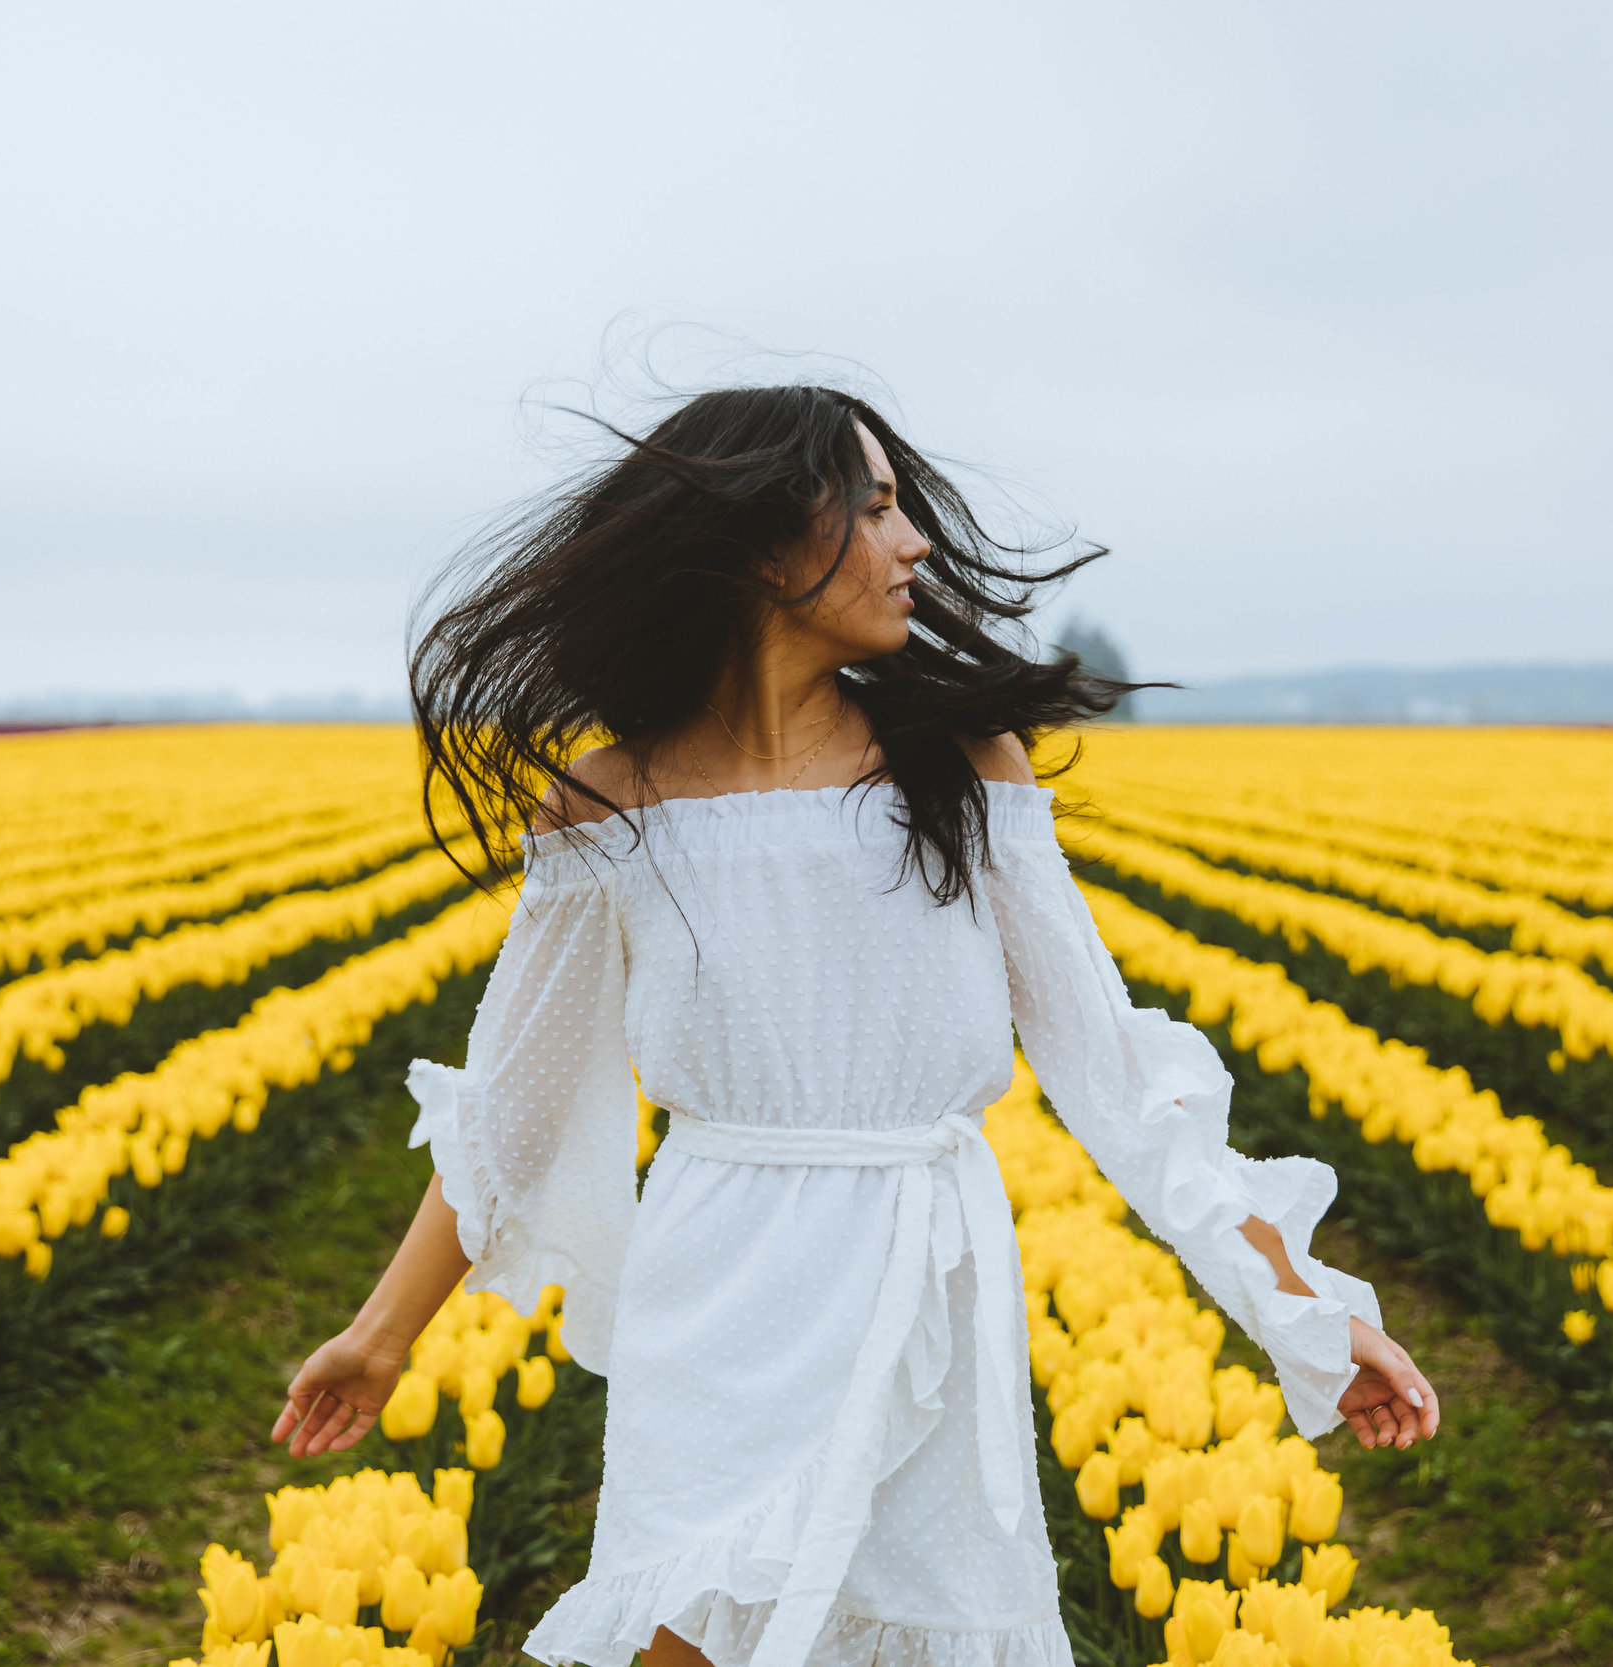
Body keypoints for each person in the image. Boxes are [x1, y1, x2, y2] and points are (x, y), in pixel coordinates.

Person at [270, 385, 1441, 1667]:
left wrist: (1309, 1314)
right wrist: (381, 1337)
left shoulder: (958, 765)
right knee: (683, 1636)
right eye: (875, 508)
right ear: (766, 546)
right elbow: (514, 1104)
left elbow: (1115, 1076)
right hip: (714, 1288)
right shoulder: (607, 803)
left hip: (920, 1276)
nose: (915, 544)